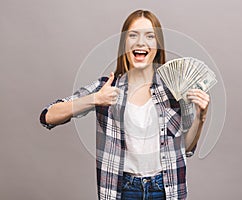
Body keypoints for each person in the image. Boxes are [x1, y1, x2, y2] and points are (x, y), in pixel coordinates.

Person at [40, 10, 210, 200]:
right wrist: (95, 99)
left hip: (166, 188)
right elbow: (48, 116)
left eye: (149, 36)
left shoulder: (175, 89)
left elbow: (185, 149)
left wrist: (201, 117)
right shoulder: (105, 88)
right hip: (123, 190)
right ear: (124, 44)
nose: (140, 42)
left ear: (157, 45)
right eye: (133, 35)